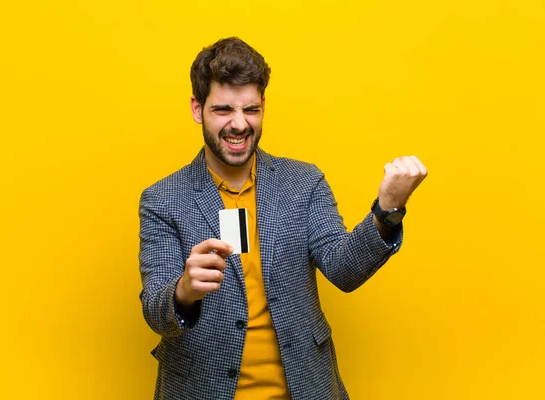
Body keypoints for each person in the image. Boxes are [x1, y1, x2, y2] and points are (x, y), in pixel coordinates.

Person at [139, 37, 427, 400]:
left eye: (251, 110)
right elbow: (156, 311)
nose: (239, 124)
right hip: (201, 388)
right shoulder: (162, 200)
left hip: (305, 388)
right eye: (224, 110)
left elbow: (344, 269)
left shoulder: (303, 183)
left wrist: (388, 209)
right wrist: (183, 291)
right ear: (197, 109)